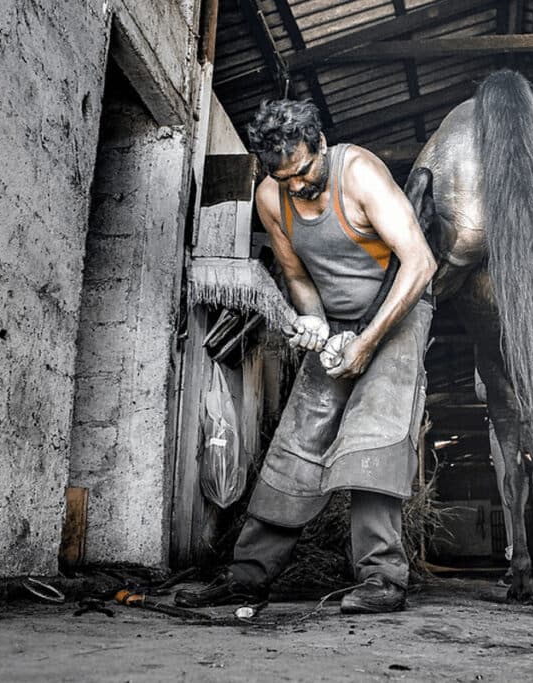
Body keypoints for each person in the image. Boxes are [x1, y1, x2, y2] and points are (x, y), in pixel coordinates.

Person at [176, 99, 436, 614]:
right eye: (284, 178)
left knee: (372, 435)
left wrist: (366, 344)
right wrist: (315, 322)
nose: (296, 186)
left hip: (399, 311)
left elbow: (420, 262)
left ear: (321, 144)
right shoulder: (271, 198)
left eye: (304, 171)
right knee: (298, 438)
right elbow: (296, 275)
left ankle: (382, 579)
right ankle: (248, 576)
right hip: (337, 323)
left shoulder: (358, 174)